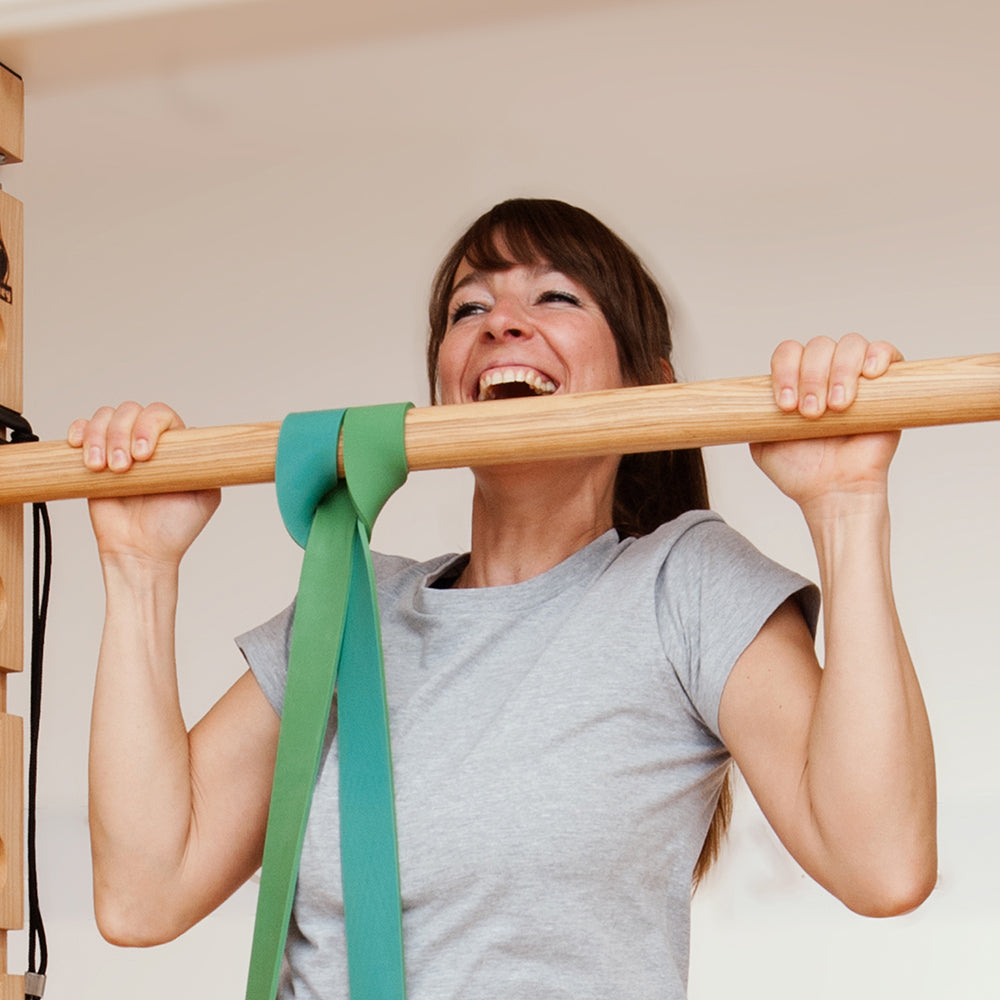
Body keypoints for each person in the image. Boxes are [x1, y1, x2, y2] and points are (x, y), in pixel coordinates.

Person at [68, 199, 937, 1000]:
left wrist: (846, 505)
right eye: (468, 309)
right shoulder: (351, 603)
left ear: (650, 386)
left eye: (557, 297)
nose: (503, 324)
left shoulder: (683, 584)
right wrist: (137, 565)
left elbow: (881, 864)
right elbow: (144, 896)